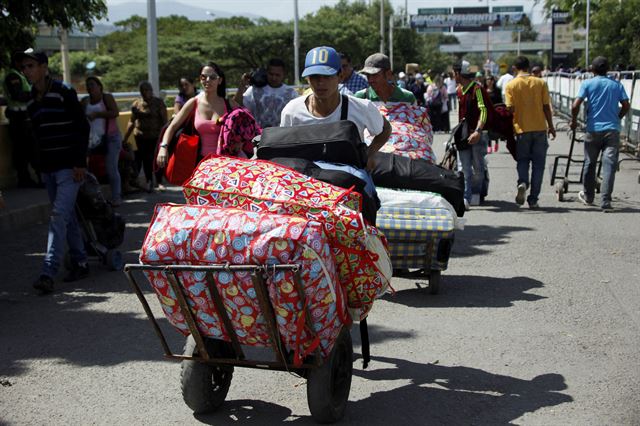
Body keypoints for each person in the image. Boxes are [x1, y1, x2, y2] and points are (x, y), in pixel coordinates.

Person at [19, 49, 90, 294]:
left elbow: (82, 127)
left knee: (58, 216)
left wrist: (80, 162)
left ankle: (48, 271)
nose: (26, 71)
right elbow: (37, 136)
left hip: (69, 168)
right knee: (66, 216)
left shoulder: (63, 92)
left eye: (30, 66)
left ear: (43, 67)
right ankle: (80, 261)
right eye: (24, 67)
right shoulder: (30, 100)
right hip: (48, 169)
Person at [280, 46, 391, 171]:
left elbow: (385, 128)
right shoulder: (292, 111)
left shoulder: (362, 108)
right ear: (307, 79)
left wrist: (369, 154)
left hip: (350, 181)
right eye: (314, 76)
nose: (320, 82)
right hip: (308, 183)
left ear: (340, 76)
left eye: (327, 76)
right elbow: (284, 146)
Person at [157, 62, 244, 170]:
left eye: (212, 77)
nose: (207, 80)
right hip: (200, 164)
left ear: (219, 80)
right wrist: (163, 147)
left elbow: (247, 125)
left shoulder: (230, 105)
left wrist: (240, 141)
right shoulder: (193, 102)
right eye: (204, 77)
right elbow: (172, 126)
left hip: (226, 164)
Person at [570, 56, 630, 212]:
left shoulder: (588, 83)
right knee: (609, 165)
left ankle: (589, 197)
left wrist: (574, 120)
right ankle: (605, 201)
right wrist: (618, 117)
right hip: (612, 130)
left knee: (590, 162)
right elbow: (625, 105)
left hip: (593, 129)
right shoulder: (616, 85)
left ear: (592, 69)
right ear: (608, 69)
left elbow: (575, 105)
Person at [504, 56, 556, 209]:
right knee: (539, 165)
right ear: (529, 67)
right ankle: (533, 199)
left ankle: (522, 183)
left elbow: (509, 109)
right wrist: (551, 126)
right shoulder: (540, 83)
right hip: (540, 128)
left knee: (523, 161)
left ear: (515, 68)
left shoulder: (511, 85)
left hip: (521, 129)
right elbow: (546, 107)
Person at [453, 60, 491, 210]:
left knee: (478, 167)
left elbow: (484, 110)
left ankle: (477, 192)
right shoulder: (459, 90)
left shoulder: (477, 89)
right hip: (462, 136)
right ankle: (466, 197)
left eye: (453, 73)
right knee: (464, 168)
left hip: (477, 135)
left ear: (458, 73)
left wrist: (478, 131)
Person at [81, 76, 123, 206]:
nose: (90, 88)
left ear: (100, 86)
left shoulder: (106, 98)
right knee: (87, 169)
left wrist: (97, 115)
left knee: (111, 168)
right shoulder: (85, 101)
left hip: (110, 137)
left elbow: (115, 112)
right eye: (88, 85)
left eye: (92, 85)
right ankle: (94, 198)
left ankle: (116, 197)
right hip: (92, 139)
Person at [123, 81, 168, 192]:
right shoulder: (136, 104)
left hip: (156, 135)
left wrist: (165, 136)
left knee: (157, 158)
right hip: (141, 136)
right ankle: (149, 181)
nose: (145, 92)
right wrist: (125, 138)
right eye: (143, 90)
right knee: (145, 159)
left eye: (148, 89)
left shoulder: (159, 103)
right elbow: (131, 121)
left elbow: (164, 121)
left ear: (151, 90)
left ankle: (159, 181)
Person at [3, 51, 38, 187]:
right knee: (22, 150)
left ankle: (29, 178)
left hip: (24, 117)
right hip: (18, 118)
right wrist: (34, 93)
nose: (26, 66)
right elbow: (17, 95)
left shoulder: (20, 75)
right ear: (17, 62)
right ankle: (24, 179)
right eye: (23, 63)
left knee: (28, 148)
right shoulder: (13, 76)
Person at [234, 58, 298, 128]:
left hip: (281, 136)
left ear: (284, 75)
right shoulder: (255, 89)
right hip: (258, 135)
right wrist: (242, 85)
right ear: (266, 72)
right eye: (271, 74)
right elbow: (236, 105)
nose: (274, 78)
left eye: (277, 75)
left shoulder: (291, 93)